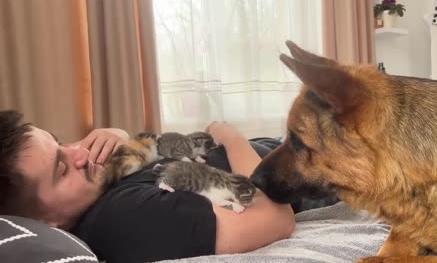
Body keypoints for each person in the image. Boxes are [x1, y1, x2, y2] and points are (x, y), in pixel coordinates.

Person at [0, 110, 295, 262]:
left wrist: (116, 134)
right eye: (62, 169)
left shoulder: (97, 189)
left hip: (277, 149)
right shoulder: (123, 218)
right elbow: (274, 219)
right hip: (302, 167)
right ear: (42, 223)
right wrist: (230, 137)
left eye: (60, 143)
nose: (81, 152)